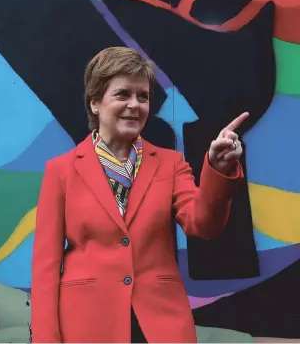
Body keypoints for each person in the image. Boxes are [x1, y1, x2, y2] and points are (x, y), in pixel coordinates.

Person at [31, 47, 248, 343]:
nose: (135, 105)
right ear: (95, 103)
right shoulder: (61, 171)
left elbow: (203, 225)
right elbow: (45, 267)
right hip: (86, 326)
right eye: (123, 94)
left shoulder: (171, 164)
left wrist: (218, 169)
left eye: (143, 96)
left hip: (160, 325)